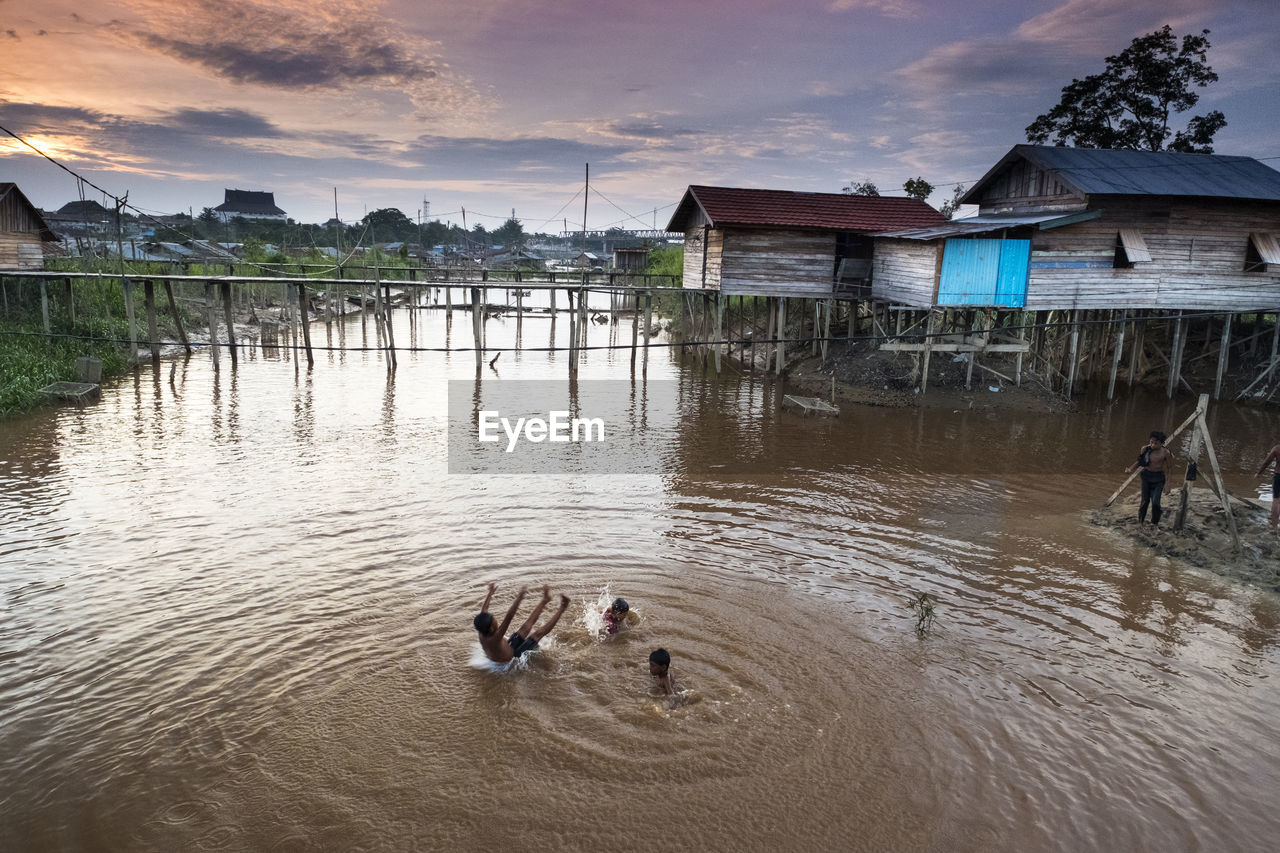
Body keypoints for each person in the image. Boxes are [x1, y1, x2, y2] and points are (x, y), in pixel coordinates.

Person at [473, 582, 570, 664]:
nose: (496, 620)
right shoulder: (495, 637)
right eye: (494, 620)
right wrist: (519, 598)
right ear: (491, 628)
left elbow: (484, 610)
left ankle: (545, 600)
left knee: (526, 627)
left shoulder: (482, 630)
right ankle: (563, 607)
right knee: (538, 633)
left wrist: (490, 593)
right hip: (513, 657)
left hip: (507, 648)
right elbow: (509, 616)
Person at [1124, 430, 1174, 527]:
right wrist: (1130, 468)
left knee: (1156, 502)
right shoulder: (1145, 449)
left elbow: (1169, 468)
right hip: (1146, 477)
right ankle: (1141, 523)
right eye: (1151, 442)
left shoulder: (1165, 452)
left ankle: (1155, 524)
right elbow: (1139, 460)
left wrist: (1168, 484)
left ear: (1162, 443)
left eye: (1156, 443)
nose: (1152, 445)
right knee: (1144, 501)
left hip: (1159, 479)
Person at [1255, 443, 1280, 531]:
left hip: (1278, 475)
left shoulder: (1277, 448)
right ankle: (1274, 518)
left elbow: (1266, 462)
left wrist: (1259, 473)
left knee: (1276, 500)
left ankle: (1274, 526)